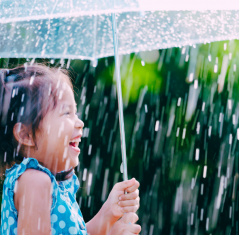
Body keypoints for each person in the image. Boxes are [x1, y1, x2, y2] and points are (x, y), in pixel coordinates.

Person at [0, 64, 141, 235]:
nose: (79, 123)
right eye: (67, 113)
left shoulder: (49, 183)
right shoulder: (35, 182)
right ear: (26, 135)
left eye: (75, 112)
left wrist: (108, 213)